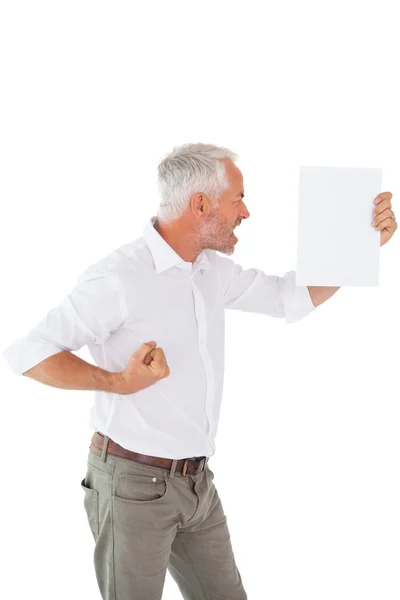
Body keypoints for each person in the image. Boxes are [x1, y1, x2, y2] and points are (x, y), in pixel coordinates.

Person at [6, 142, 383, 600]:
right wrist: (117, 383)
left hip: (196, 483)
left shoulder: (209, 270)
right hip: (131, 486)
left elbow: (289, 298)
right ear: (200, 204)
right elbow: (30, 352)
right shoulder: (120, 277)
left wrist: (360, 246)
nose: (245, 211)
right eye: (237, 198)